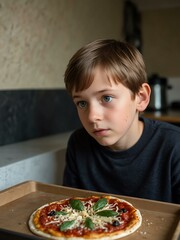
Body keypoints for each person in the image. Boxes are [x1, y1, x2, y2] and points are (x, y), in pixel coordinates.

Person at [63, 39, 180, 204]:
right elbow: (72, 208)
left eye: (107, 97)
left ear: (141, 98)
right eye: (82, 103)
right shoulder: (78, 143)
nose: (92, 117)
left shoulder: (174, 146)